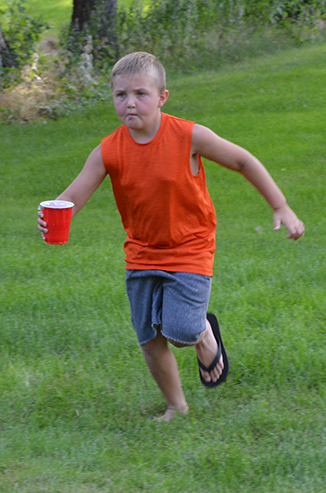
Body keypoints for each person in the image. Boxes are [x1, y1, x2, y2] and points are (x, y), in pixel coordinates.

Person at [37, 52, 305, 422]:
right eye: (120, 95)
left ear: (162, 97)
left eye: (140, 94)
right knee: (149, 336)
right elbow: (74, 195)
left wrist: (281, 206)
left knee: (180, 330)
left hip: (190, 247)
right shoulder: (109, 150)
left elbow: (244, 160)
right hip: (142, 253)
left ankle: (203, 333)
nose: (130, 102)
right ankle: (176, 407)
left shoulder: (188, 135)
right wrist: (53, 212)